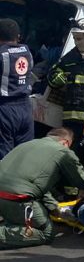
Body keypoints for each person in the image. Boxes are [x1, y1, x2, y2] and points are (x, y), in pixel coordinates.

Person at [0, 128, 84, 249]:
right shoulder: (63, 151)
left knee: (17, 219)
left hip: (8, 195)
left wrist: (53, 207)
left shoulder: (27, 144)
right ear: (65, 142)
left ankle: (12, 223)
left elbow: (36, 185)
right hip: (16, 199)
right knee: (46, 233)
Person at [47, 18, 84, 174]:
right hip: (72, 121)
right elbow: (54, 73)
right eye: (74, 38)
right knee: (72, 159)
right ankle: (71, 193)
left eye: (79, 38)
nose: (76, 42)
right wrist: (54, 77)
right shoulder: (69, 58)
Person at [0, 18, 34, 159]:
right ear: (18, 36)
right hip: (26, 108)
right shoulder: (27, 52)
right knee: (24, 154)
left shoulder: (1, 54)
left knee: (4, 156)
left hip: (5, 109)